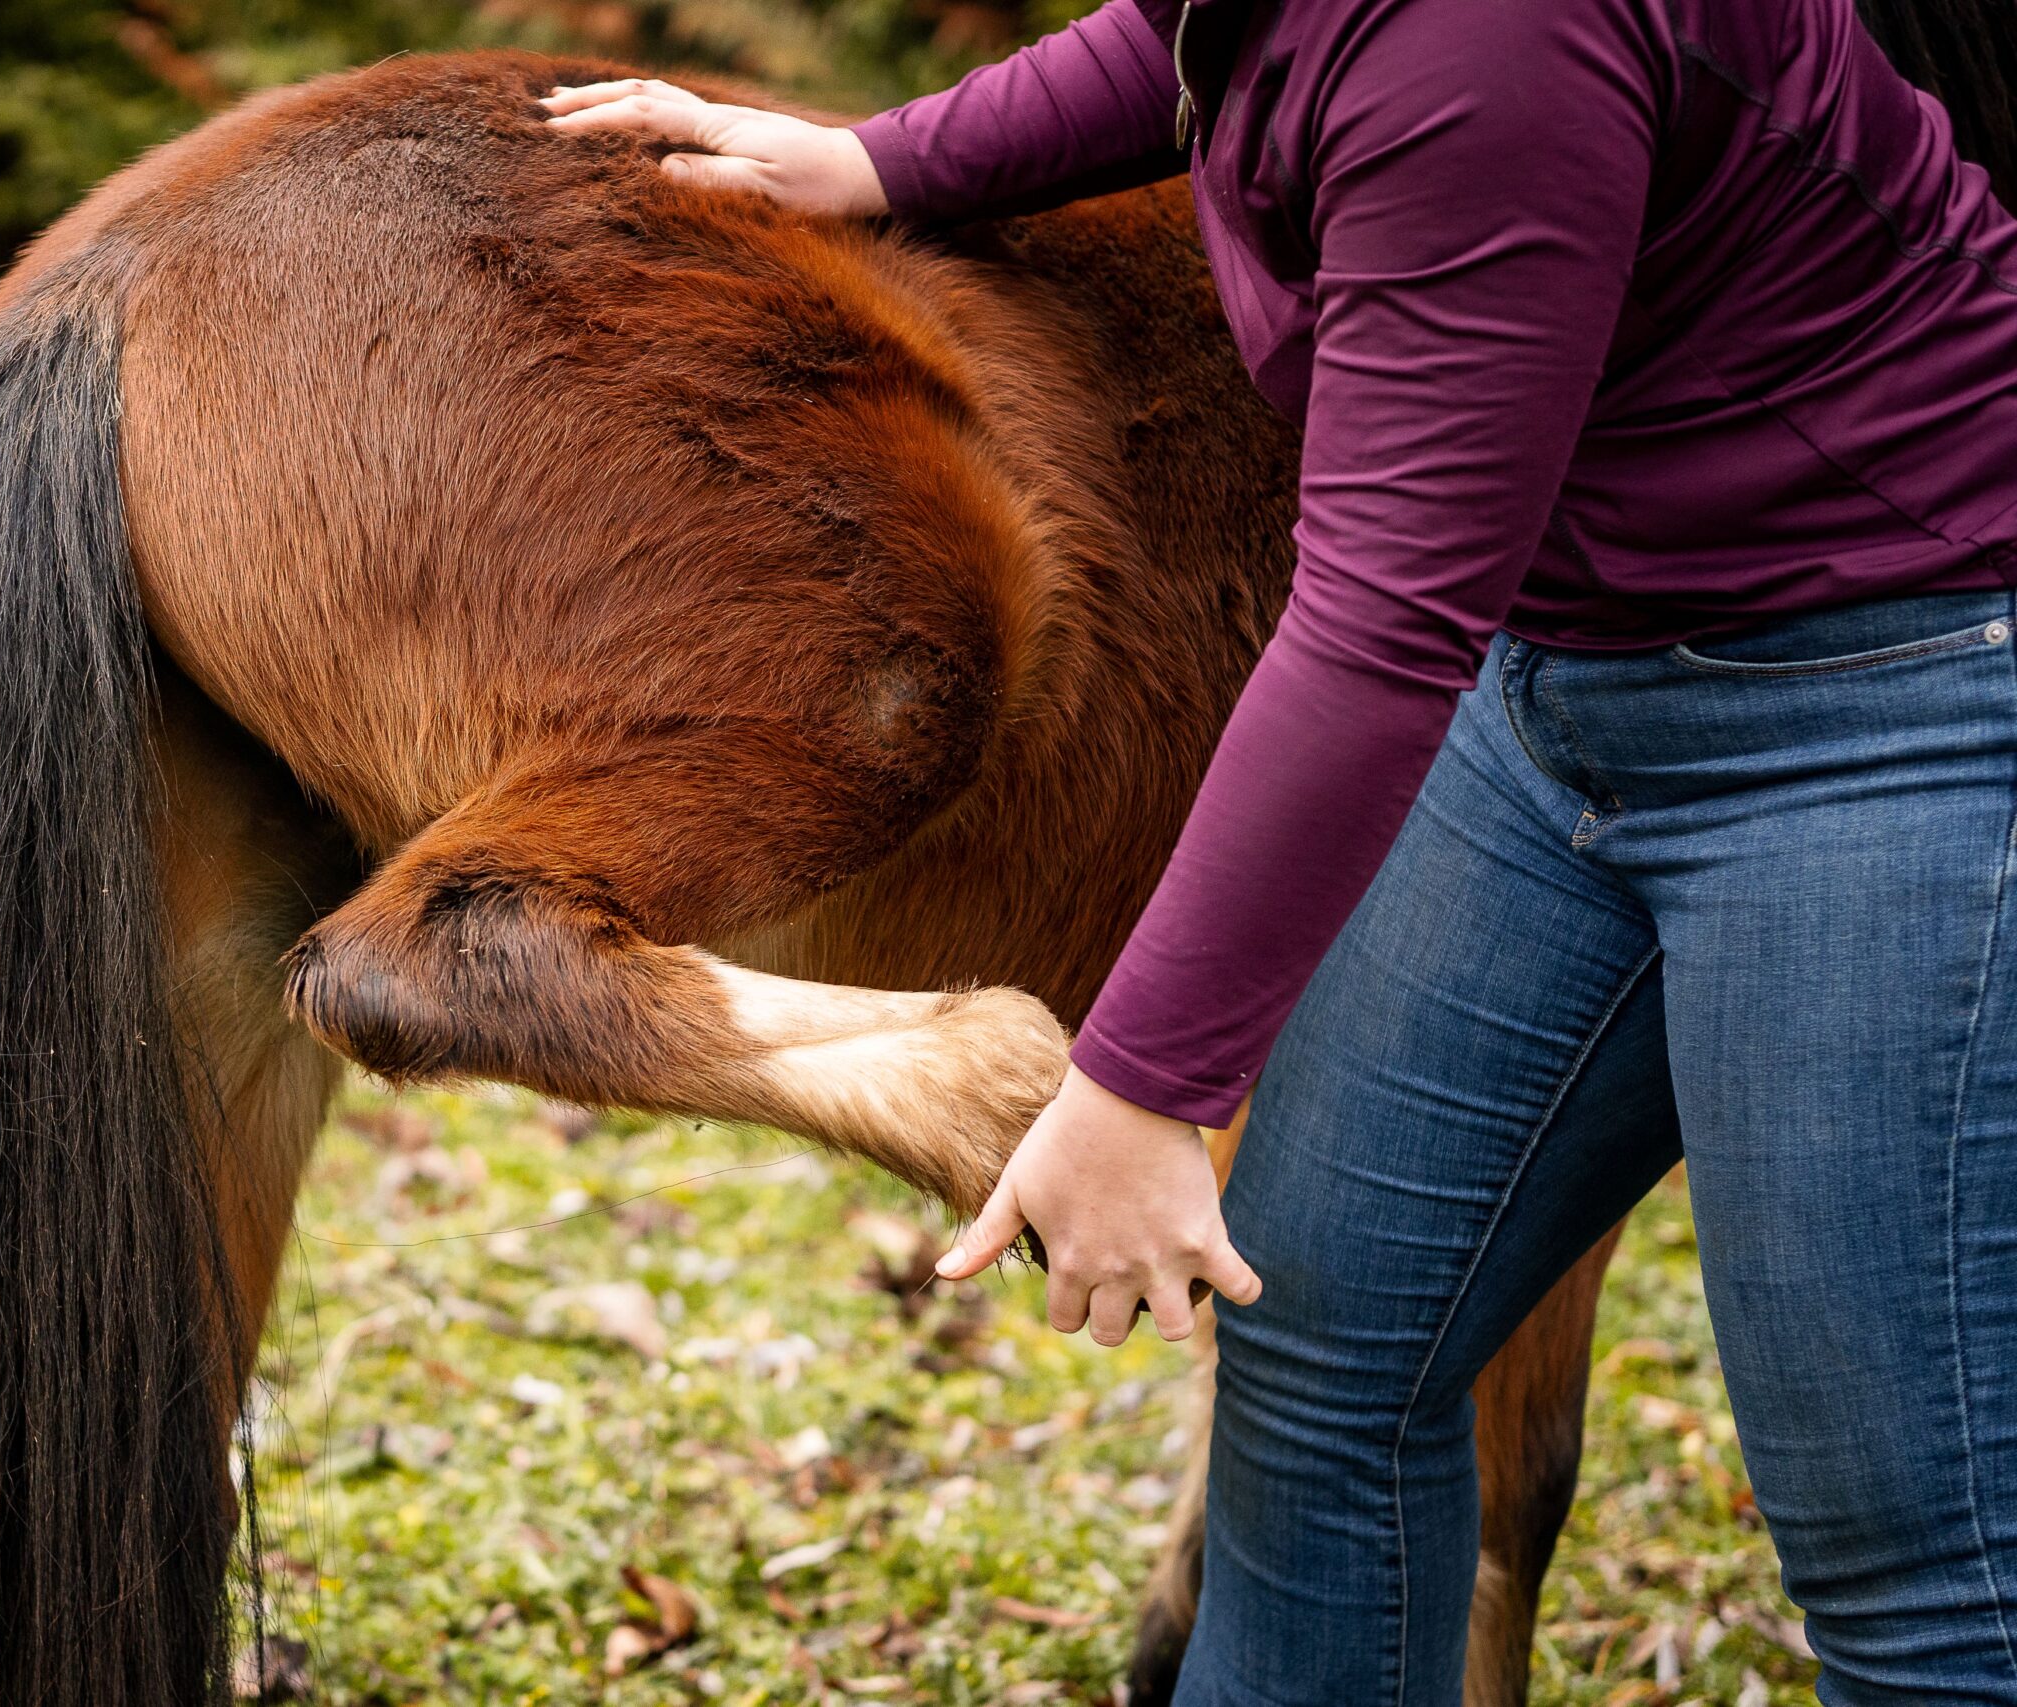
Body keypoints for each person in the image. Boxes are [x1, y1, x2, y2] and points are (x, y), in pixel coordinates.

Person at [543, 0, 2017, 1697]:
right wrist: (877, 159)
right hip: (1569, 683)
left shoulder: (1486, 47)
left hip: (1890, 695)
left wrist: (1143, 1085)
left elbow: (1383, 627)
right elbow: (1191, 32)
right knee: (1321, 1348)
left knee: (1908, 1550)